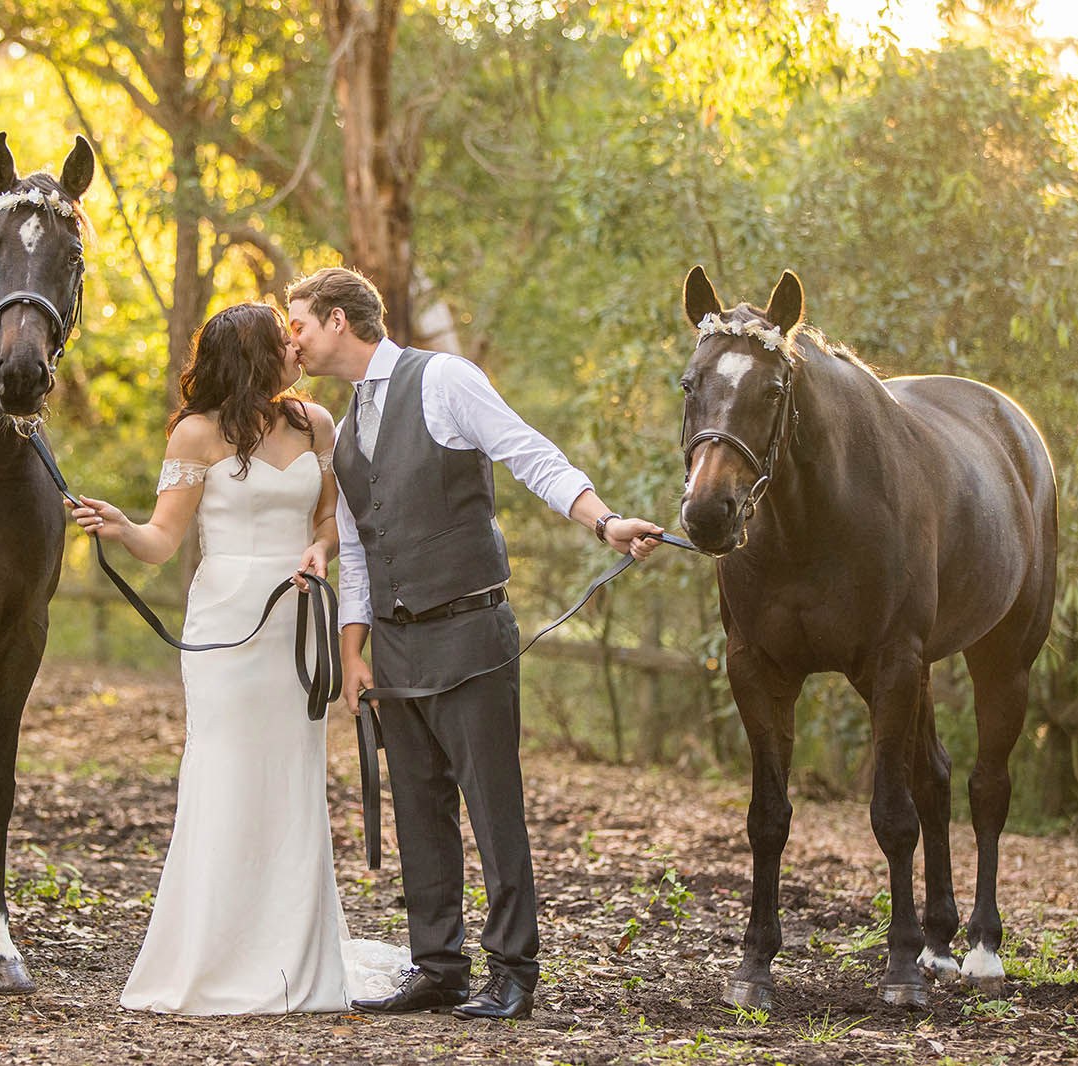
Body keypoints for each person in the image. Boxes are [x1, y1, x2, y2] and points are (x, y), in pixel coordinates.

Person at [285, 267, 663, 1021]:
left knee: (493, 807)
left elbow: (530, 454)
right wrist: (353, 652)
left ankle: (514, 970)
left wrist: (603, 520)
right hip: (394, 647)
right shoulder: (346, 419)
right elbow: (358, 548)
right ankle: (439, 967)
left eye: (297, 322)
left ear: (335, 319)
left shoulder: (443, 380)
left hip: (469, 631)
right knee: (419, 810)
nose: (290, 338)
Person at [67, 302, 406, 1014]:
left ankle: (293, 953)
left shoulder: (314, 421)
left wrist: (320, 551)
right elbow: (163, 540)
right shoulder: (196, 434)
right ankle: (213, 953)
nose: (295, 344)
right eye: (281, 338)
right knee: (222, 773)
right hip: (227, 619)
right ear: (252, 354)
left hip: (297, 615)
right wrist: (123, 527)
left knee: (293, 774)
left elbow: (327, 518)